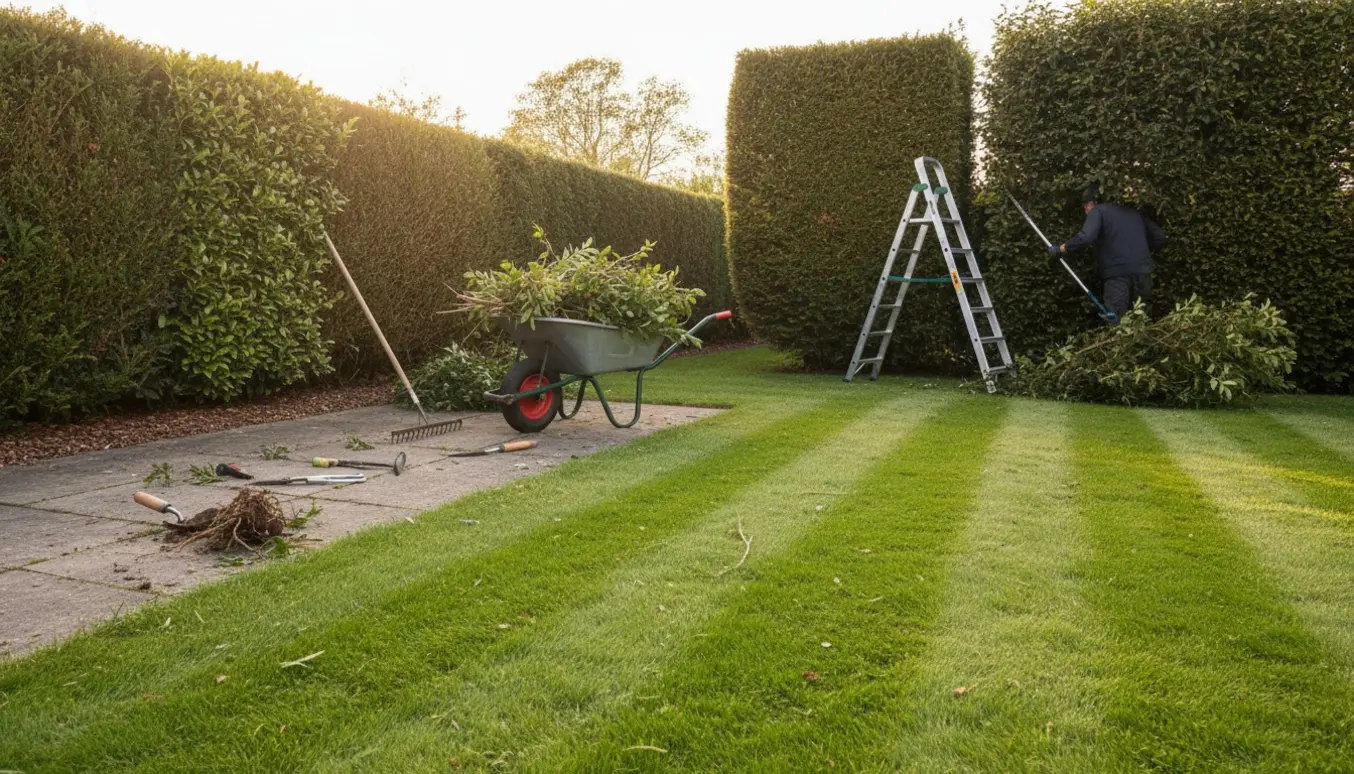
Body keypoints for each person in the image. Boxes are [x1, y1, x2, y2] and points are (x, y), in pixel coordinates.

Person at [1050, 187, 1166, 321]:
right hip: (1143, 272)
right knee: (1140, 320)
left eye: (1085, 207)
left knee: (1118, 321)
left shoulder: (1098, 211)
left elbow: (1086, 237)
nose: (1085, 211)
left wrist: (1062, 249)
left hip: (1118, 276)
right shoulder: (1133, 213)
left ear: (1092, 203)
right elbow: (1160, 237)